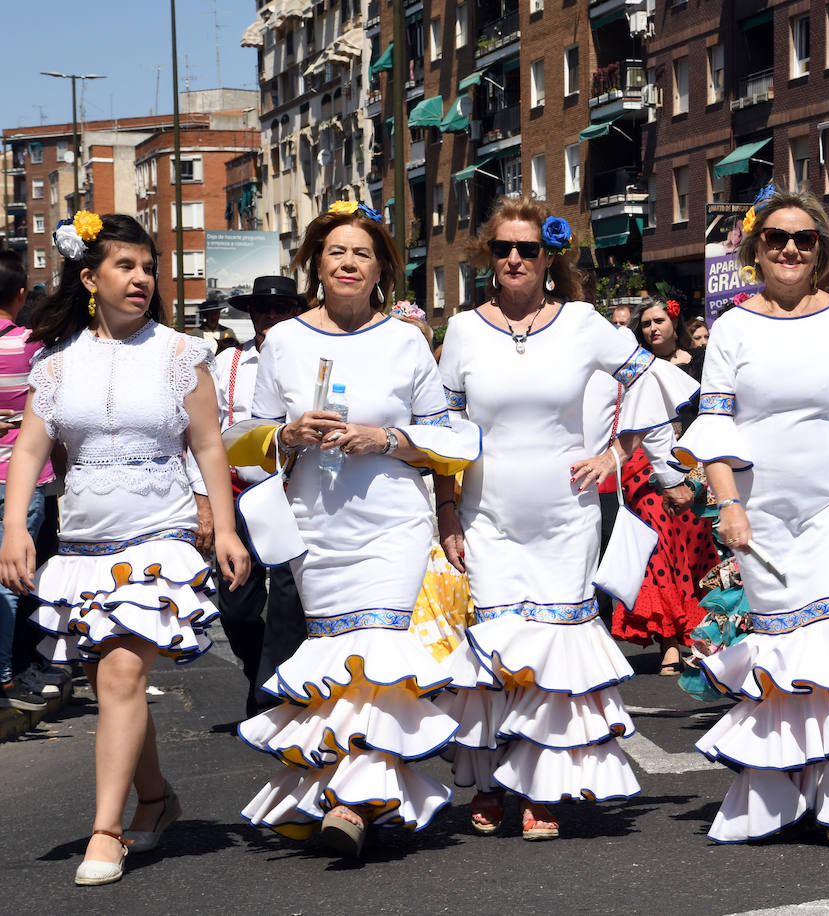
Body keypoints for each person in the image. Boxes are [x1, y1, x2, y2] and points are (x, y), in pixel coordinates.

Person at [0, 212, 249, 885]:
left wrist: (222, 529)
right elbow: (29, 448)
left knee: (119, 676)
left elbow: (206, 448)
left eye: (148, 268)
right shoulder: (55, 362)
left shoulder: (180, 354)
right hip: (84, 543)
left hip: (160, 532)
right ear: (89, 277)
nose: (141, 279)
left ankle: (105, 832)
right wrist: (15, 529)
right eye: (125, 267)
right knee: (115, 681)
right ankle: (157, 798)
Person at [674, 187, 829, 845]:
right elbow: (715, 424)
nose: (789, 249)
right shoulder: (731, 327)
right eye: (777, 238)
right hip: (762, 516)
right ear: (757, 249)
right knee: (783, 651)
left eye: (803, 239)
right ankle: (780, 790)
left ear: (821, 251)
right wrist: (728, 504)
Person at [437, 196, 696, 841]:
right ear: (488, 259)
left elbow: (650, 382)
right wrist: (448, 515)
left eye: (528, 248)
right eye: (503, 249)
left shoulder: (582, 322)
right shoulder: (466, 331)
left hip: (566, 520)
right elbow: (442, 431)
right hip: (487, 518)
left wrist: (617, 454)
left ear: (549, 256)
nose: (516, 259)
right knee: (497, 655)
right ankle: (495, 782)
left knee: (553, 657)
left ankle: (542, 790)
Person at [228, 200, 481, 857]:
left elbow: (451, 438)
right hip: (316, 529)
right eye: (336, 251)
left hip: (393, 525)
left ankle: (350, 801)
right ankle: (345, 792)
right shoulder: (282, 341)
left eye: (361, 253)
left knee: (380, 660)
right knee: (338, 669)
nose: (347, 262)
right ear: (316, 263)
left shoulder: (405, 340)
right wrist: (284, 434)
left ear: (381, 271)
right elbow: (236, 441)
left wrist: (390, 438)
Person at [195, 276, 309, 717]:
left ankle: (270, 696)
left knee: (286, 601)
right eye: (262, 308)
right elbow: (203, 435)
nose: (270, 316)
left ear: (295, 312)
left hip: (291, 496)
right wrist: (204, 498)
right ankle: (261, 672)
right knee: (237, 607)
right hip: (239, 498)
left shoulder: (308, 357)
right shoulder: (229, 363)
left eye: (280, 308)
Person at [614, 298, 716, 675]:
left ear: (675, 322)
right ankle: (670, 641)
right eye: (645, 324)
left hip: (696, 466)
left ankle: (696, 633)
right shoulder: (631, 368)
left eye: (659, 320)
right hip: (644, 468)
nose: (652, 328)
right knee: (658, 551)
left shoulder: (704, 363)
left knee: (692, 552)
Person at [0, 251, 55, 713]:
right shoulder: (31, 347)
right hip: (20, 477)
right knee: (15, 578)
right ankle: (9, 674)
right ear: (20, 295)